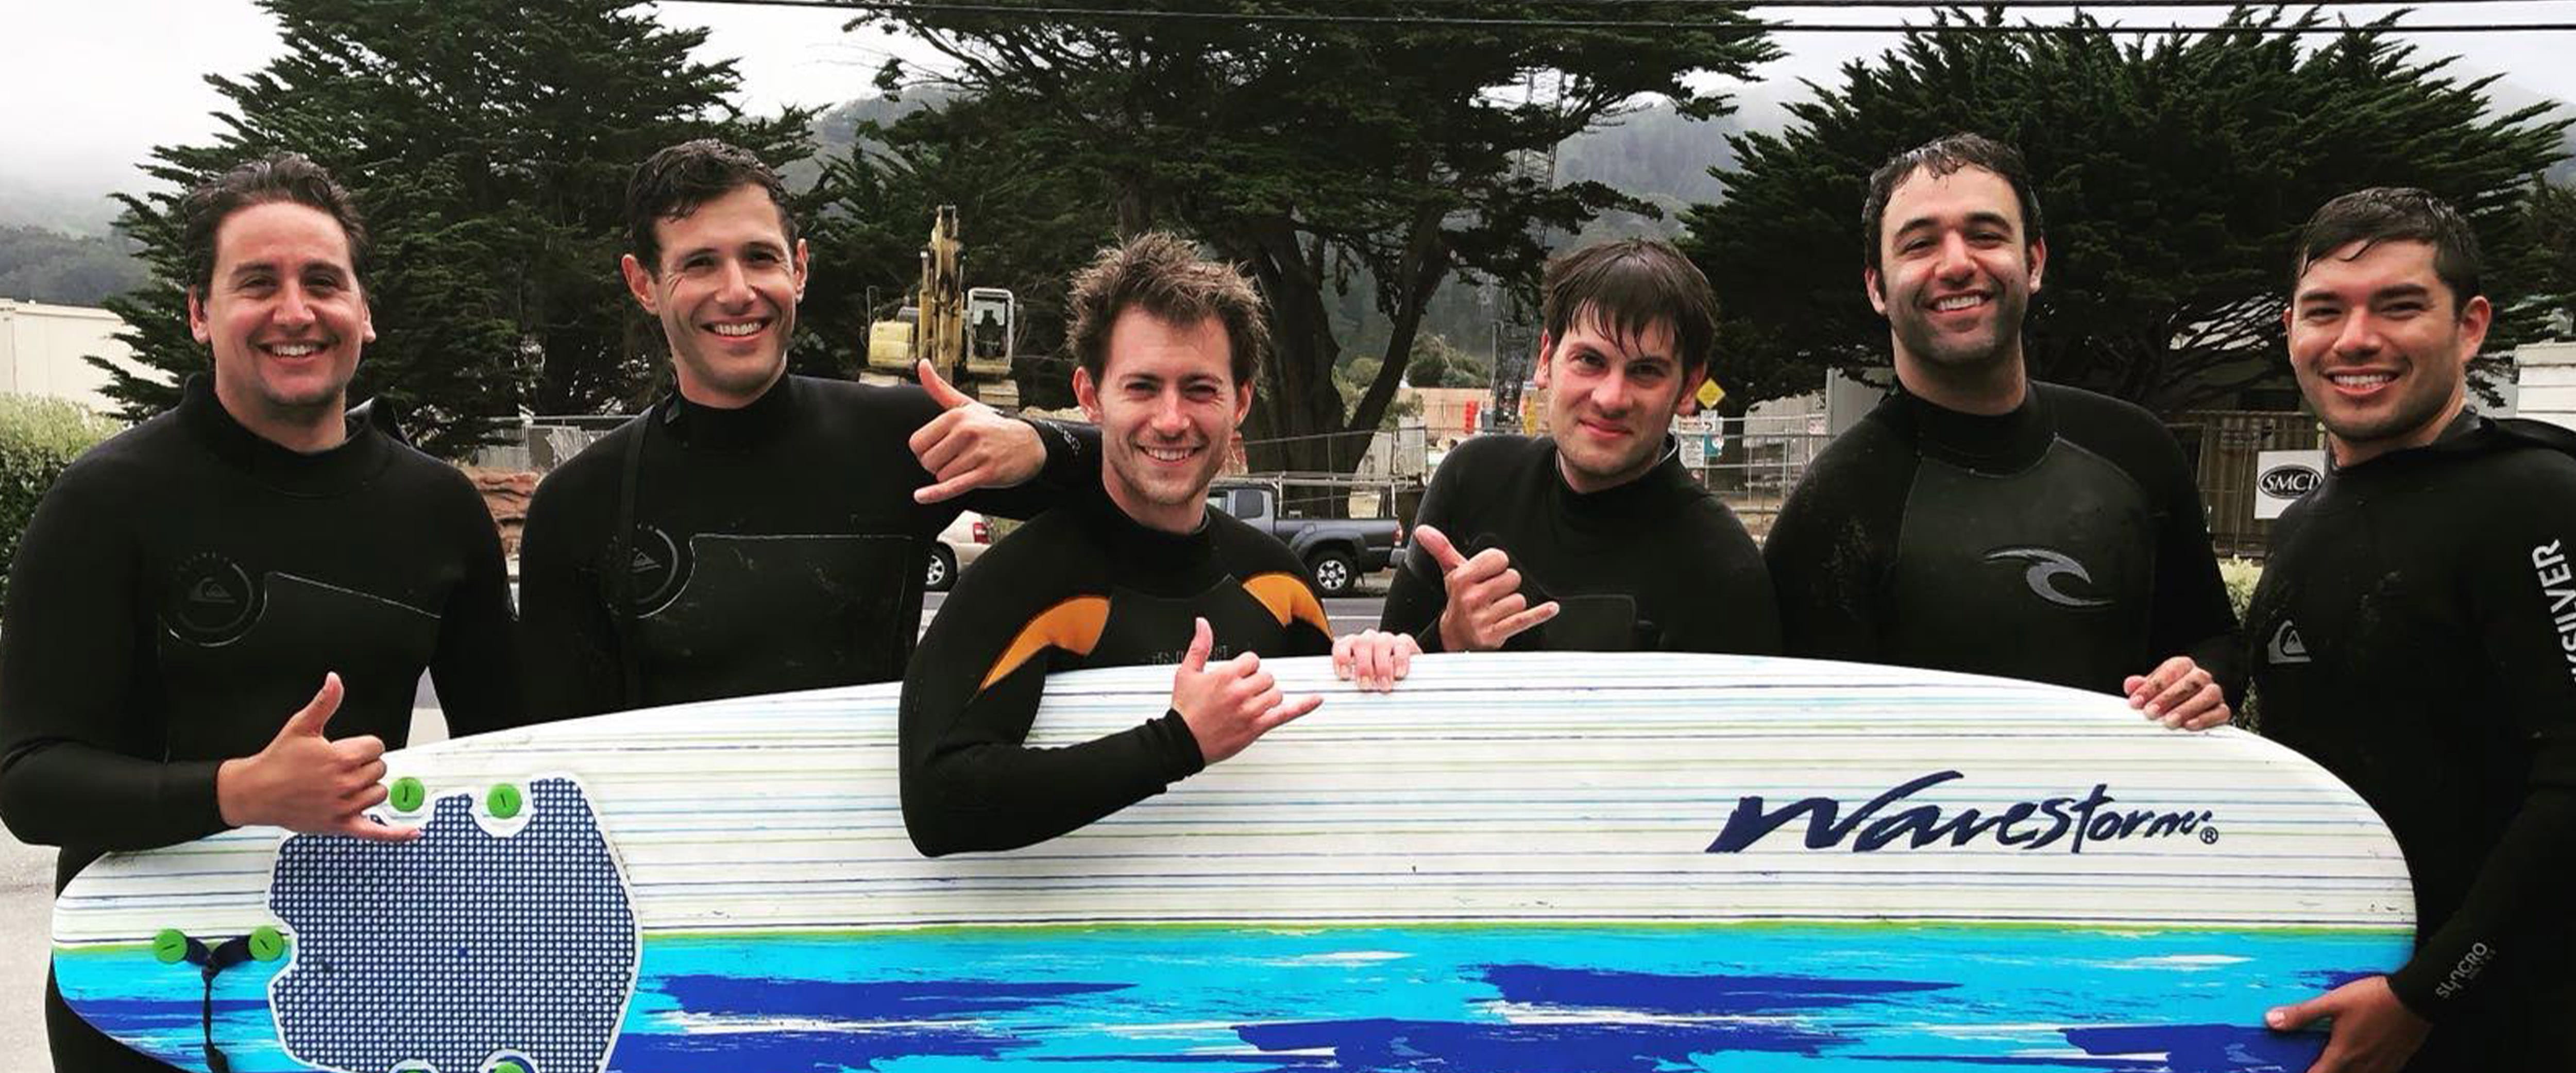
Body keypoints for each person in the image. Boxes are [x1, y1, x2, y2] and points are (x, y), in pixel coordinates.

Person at [0, 154, 523, 1072]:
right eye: (257, 283)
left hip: (363, 982)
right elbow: (28, 780)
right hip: (142, 995)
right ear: (200, 313)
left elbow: (512, 751)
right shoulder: (107, 499)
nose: (295, 310)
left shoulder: (436, 507)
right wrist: (238, 791)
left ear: (364, 311)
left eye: (324, 281)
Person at [516, 140, 1097, 719]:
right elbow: (548, 752)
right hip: (673, 811)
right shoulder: (580, 504)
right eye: (700, 263)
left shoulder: (905, 439)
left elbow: (1150, 481)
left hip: (875, 811)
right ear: (643, 283)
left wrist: (1041, 445)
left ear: (799, 268)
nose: (738, 290)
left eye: (760, 257)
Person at [901, 232, 1416, 857]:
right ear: (1090, 397)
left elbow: (1330, 757)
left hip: (1248, 939)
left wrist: (1369, 662)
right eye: (1142, 387)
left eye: (1200, 389)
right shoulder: (1023, 581)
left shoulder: (1278, 583)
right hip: (1064, 947)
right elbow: (937, 803)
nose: (1171, 420)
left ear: (1241, 402)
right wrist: (1177, 742)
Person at [2245, 188, 2575, 1072]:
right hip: (2337, 1007)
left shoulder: (2535, 495)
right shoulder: (2311, 514)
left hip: (2499, 1023)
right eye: (2326, 311)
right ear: (2290, 329)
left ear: (2469, 327)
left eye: (2399, 306)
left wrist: (2429, 990)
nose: (2356, 339)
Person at [1762, 133, 2237, 728]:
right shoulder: (1833, 507)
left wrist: (2199, 683)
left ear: (2033, 262)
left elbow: (2212, 639)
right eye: (1919, 244)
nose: (1957, 263)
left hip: (2122, 820)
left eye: (1985, 235)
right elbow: (1805, 740)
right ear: (1877, 288)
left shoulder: (2134, 449)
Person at [1378, 239, 1780, 655]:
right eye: (1590, 360)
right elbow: (1392, 676)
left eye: (1645, 371)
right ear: (1546, 358)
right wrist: (1447, 639)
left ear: (1688, 388)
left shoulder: (1722, 570)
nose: (1610, 398)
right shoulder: (1472, 480)